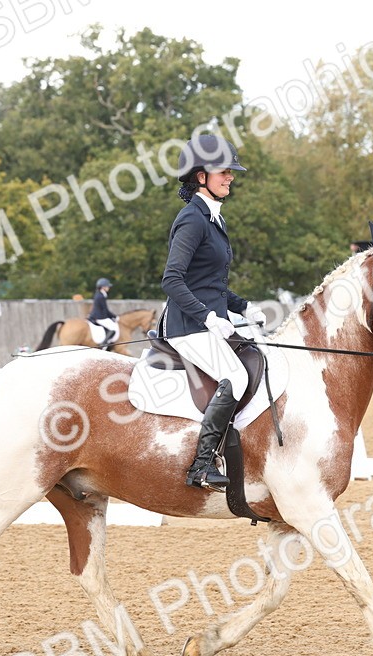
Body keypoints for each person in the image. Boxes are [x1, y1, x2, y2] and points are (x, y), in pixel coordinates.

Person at [161, 134, 267, 492]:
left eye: (230, 172)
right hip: (187, 325)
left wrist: (242, 306)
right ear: (201, 176)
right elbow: (172, 280)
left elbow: (209, 283)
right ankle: (201, 466)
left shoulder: (213, 219)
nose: (230, 177)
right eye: (223, 171)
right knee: (235, 378)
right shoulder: (192, 219)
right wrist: (208, 318)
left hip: (208, 321)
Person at [87, 277, 119, 347]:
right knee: (113, 329)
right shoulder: (101, 296)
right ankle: (103, 344)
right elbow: (105, 310)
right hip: (100, 317)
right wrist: (114, 316)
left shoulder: (100, 294)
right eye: (107, 286)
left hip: (98, 315)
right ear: (103, 287)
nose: (109, 288)